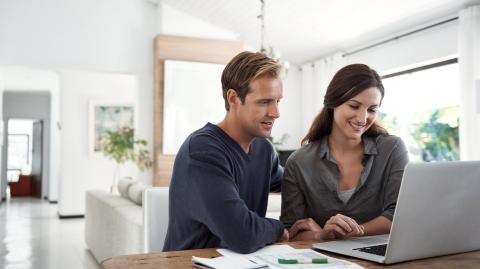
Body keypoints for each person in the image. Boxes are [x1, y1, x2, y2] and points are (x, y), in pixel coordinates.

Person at [163, 51, 289, 254]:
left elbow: (296, 185)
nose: (276, 113)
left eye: (278, 101)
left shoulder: (264, 150)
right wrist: (280, 229)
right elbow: (242, 235)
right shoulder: (202, 150)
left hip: (245, 263)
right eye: (264, 102)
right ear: (233, 98)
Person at [280, 64, 409, 241]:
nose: (363, 118)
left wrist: (350, 232)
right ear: (333, 103)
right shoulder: (299, 162)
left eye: (372, 109)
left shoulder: (392, 149)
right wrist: (321, 234)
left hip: (381, 256)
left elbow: (400, 215)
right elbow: (292, 230)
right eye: (354, 106)